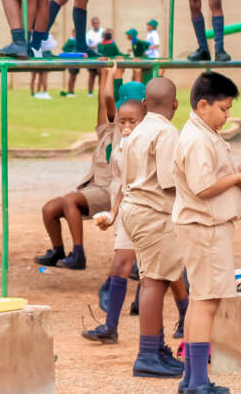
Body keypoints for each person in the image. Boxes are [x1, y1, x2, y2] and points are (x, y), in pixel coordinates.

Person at [174, 71, 241, 393]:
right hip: (204, 228)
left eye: (229, 109)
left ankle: (192, 379)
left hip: (205, 227)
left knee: (201, 300)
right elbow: (203, 186)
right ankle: (197, 381)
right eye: (223, 109)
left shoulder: (203, 133)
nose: (227, 115)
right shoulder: (197, 139)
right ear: (203, 105)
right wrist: (236, 180)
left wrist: (235, 172)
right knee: (206, 302)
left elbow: (210, 175)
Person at [35, 65, 140, 272]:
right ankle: (58, 250)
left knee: (70, 200)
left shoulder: (126, 132)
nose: (122, 122)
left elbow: (109, 99)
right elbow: (103, 103)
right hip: (93, 187)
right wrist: (103, 73)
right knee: (49, 209)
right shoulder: (106, 131)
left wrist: (118, 74)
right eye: (120, 119)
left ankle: (78, 253)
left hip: (109, 189)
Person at [119, 77, 188, 378]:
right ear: (176, 104)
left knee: (153, 279)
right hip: (153, 213)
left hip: (134, 209)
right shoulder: (166, 132)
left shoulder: (139, 129)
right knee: (154, 283)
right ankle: (147, 354)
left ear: (145, 104)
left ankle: (156, 348)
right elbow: (169, 181)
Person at [82, 66, 146, 343]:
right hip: (125, 203)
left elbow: (108, 97)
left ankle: (180, 316)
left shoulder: (151, 138)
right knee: (124, 261)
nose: (126, 126)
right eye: (122, 121)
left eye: (132, 120)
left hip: (149, 210)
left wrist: (110, 74)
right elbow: (122, 184)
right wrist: (113, 211)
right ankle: (111, 325)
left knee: (164, 268)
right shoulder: (120, 138)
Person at [86, 17, 105, 96]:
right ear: (92, 24)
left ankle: (101, 92)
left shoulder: (103, 32)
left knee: (101, 74)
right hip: (92, 56)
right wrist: (94, 47)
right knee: (91, 74)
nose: (96, 24)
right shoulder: (89, 33)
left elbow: (105, 43)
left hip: (101, 56)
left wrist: (98, 46)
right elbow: (87, 45)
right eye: (94, 23)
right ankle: (90, 93)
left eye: (97, 23)